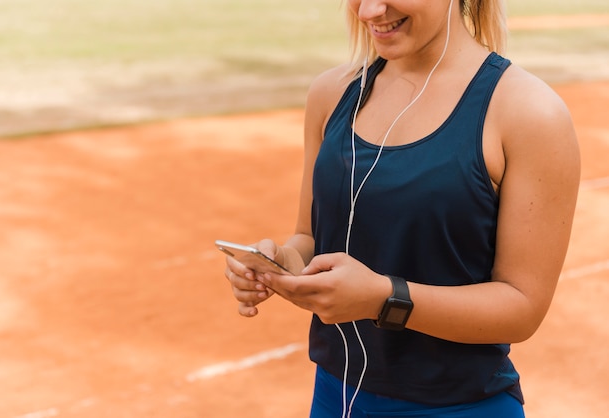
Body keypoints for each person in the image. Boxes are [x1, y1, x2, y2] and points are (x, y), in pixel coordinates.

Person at [222, 0, 580, 417]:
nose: (369, 10)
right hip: (334, 398)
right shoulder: (332, 93)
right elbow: (309, 239)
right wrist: (280, 264)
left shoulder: (529, 113)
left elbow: (521, 308)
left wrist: (383, 299)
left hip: (457, 408)